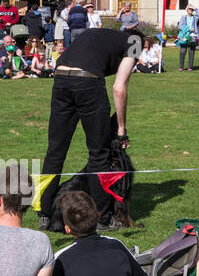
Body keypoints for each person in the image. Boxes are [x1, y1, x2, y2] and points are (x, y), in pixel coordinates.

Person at [36, 26, 139, 230]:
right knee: (98, 154)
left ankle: (45, 214)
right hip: (88, 83)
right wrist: (121, 129)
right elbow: (119, 88)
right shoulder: (136, 41)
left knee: (55, 151)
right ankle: (103, 218)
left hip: (61, 78)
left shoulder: (98, 34)